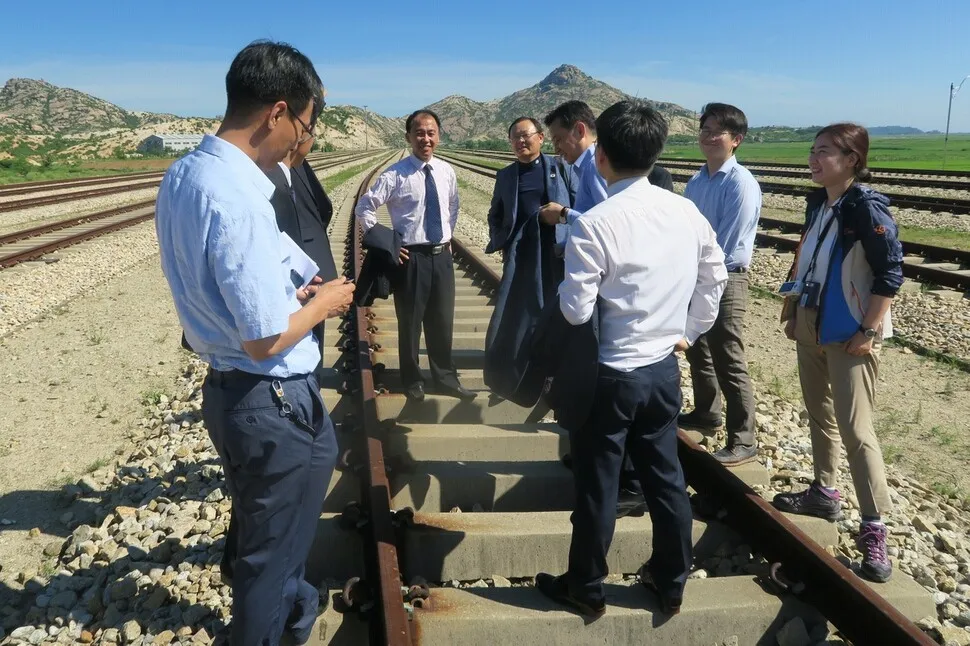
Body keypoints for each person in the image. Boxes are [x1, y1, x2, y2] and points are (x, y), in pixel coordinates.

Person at [154, 41, 355, 645]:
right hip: (271, 399)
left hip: (233, 391)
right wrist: (324, 303)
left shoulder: (185, 174)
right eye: (305, 125)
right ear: (278, 111)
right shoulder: (237, 196)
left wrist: (290, 295)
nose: (301, 141)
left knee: (277, 532)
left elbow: (223, 285)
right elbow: (266, 339)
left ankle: (294, 612)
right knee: (271, 558)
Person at [535, 99, 727, 618]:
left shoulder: (594, 224)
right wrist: (688, 330)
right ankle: (670, 580)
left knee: (598, 484)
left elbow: (576, 312)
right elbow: (716, 277)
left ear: (601, 157)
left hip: (612, 374)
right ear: (656, 152)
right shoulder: (685, 210)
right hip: (664, 370)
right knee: (665, 479)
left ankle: (587, 586)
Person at [772, 123, 903, 584]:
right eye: (812, 150)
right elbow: (805, 258)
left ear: (851, 159)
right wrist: (791, 310)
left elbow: (890, 274)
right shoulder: (818, 203)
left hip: (851, 330)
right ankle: (825, 491)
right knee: (818, 413)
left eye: (824, 152)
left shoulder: (866, 207)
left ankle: (874, 526)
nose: (813, 158)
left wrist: (869, 329)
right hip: (811, 320)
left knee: (856, 428)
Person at [540, 101, 647, 518]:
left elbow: (609, 222)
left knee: (608, 379)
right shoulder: (584, 165)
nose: (557, 149)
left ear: (580, 130)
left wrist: (565, 215)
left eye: (559, 139)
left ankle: (627, 481)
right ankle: (597, 461)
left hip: (605, 289)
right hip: (599, 283)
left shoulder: (593, 167)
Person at [355, 109, 474, 402]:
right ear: (408, 137)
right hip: (411, 258)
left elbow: (452, 207)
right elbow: (364, 208)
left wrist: (446, 237)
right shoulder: (395, 175)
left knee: (442, 320)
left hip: (441, 256)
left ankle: (445, 378)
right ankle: (412, 380)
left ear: (439, 136)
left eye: (431, 133)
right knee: (410, 322)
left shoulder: (446, 171)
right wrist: (386, 242)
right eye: (419, 133)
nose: (426, 139)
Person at [678, 103, 761, 466]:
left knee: (728, 355)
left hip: (726, 278)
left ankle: (744, 438)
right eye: (705, 130)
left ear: (736, 140)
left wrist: (697, 273)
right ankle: (706, 412)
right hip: (696, 276)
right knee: (698, 349)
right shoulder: (697, 181)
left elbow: (726, 242)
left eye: (718, 132)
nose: (709, 137)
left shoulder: (740, 183)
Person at [266, 92, 339, 382]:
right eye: (310, 126)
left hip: (310, 287)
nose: (312, 134)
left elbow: (320, 212)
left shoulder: (297, 168)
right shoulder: (268, 177)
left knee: (311, 360)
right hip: (293, 293)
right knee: (297, 367)